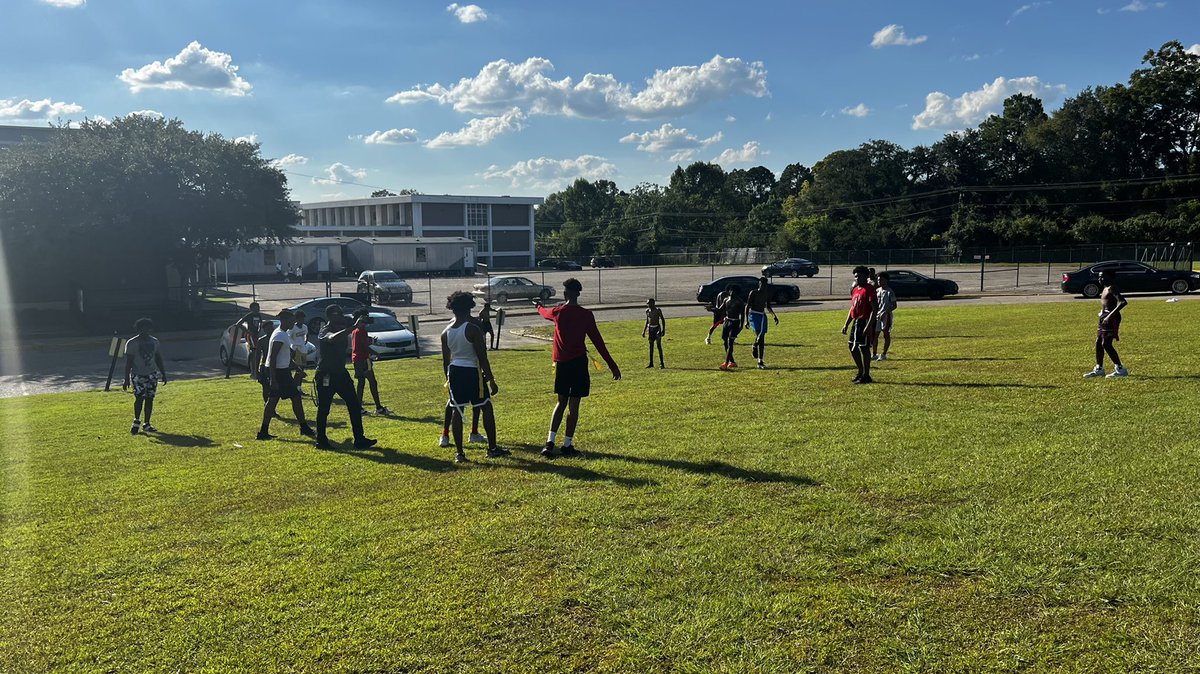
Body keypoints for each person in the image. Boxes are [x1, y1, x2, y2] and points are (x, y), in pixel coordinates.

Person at [536, 278, 621, 458]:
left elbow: (544, 313)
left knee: (561, 402)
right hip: (579, 364)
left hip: (563, 365)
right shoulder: (586, 315)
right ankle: (567, 445)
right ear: (578, 293)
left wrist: (537, 306)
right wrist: (612, 366)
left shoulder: (558, 312)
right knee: (574, 405)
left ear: (565, 293)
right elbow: (598, 342)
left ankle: (550, 443)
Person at [441, 291, 506, 462]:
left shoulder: (445, 332)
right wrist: (491, 379)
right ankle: (492, 448)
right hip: (472, 372)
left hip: (454, 371)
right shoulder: (473, 329)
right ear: (469, 307)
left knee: (457, 409)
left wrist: (448, 379)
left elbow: (445, 361)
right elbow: (482, 357)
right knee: (486, 407)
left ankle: (460, 453)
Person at [314, 305, 376, 449]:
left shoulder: (343, 325)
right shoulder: (325, 331)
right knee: (324, 408)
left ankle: (359, 439)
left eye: (342, 314)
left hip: (341, 373)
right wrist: (352, 327)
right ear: (329, 316)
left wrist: (360, 322)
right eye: (338, 314)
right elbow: (333, 339)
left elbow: (355, 324)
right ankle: (321, 441)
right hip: (326, 374)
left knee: (354, 405)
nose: (341, 316)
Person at [258, 310, 315, 441]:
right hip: (278, 372)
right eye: (291, 320)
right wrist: (273, 379)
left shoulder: (283, 334)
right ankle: (303, 427)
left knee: (278, 400)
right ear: (285, 320)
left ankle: (263, 432)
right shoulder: (279, 335)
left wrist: (297, 367)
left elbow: (286, 356)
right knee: (290, 398)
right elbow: (272, 358)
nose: (294, 322)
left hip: (282, 371)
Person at [122, 318, 167, 434]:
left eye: (147, 328)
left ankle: (147, 423)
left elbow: (158, 358)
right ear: (138, 329)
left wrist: (163, 373)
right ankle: (136, 421)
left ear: (150, 329)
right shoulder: (132, 343)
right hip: (138, 375)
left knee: (150, 398)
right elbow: (129, 362)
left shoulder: (154, 341)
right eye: (142, 329)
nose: (145, 331)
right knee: (139, 398)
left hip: (151, 374)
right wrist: (126, 378)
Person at [1084, 270, 1130, 378]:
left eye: (1102, 277)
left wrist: (1110, 315)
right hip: (1104, 317)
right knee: (1098, 342)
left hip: (1111, 318)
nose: (1100, 279)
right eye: (1099, 277)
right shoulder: (1104, 289)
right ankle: (1099, 368)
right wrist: (1102, 313)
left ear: (1110, 277)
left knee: (1106, 344)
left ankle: (1120, 369)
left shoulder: (1112, 288)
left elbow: (1123, 302)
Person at [350, 309, 392, 415]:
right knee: (372, 382)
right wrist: (376, 353)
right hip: (363, 359)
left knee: (361, 383)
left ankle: (358, 407)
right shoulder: (362, 330)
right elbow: (364, 346)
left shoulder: (355, 330)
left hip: (356, 359)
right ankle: (378, 408)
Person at [841, 266, 878, 384]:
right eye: (856, 276)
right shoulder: (856, 289)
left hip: (865, 321)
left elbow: (874, 308)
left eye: (859, 276)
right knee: (852, 346)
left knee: (864, 347)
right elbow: (853, 308)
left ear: (866, 276)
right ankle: (860, 371)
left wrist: (869, 326)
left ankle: (866, 375)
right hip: (856, 321)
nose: (857, 278)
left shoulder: (869, 289)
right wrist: (846, 324)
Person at [745, 277, 779, 369]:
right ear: (759, 284)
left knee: (762, 337)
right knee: (759, 335)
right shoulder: (753, 293)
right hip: (754, 315)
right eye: (761, 284)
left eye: (765, 284)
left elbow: (768, 306)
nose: (763, 286)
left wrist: (774, 315)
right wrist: (746, 320)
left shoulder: (767, 294)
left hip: (762, 315)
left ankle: (760, 360)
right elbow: (747, 306)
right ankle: (755, 345)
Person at [718, 285, 745, 370]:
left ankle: (726, 363)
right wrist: (711, 309)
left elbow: (743, 314)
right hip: (727, 321)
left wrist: (741, 326)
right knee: (724, 340)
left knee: (730, 342)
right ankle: (732, 361)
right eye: (730, 290)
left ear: (737, 292)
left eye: (734, 291)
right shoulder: (726, 300)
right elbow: (720, 309)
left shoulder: (740, 302)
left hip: (735, 322)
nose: (732, 292)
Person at [873, 272, 897, 361]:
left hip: (886, 316)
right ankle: (874, 354)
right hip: (877, 316)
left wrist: (885, 312)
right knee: (875, 335)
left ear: (886, 280)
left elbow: (894, 305)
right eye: (878, 280)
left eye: (881, 279)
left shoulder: (889, 291)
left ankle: (883, 354)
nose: (879, 281)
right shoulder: (877, 291)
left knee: (886, 334)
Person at [237, 302, 265, 379]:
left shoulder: (259, 315)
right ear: (252, 309)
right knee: (254, 352)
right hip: (250, 335)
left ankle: (256, 370)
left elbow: (260, 324)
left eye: (258, 307)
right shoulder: (249, 316)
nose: (257, 309)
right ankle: (253, 371)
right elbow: (239, 324)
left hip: (256, 335)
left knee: (258, 352)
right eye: (256, 308)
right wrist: (247, 331)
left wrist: (259, 330)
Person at [642, 298, 666, 368]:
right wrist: (644, 331)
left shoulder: (658, 310)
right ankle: (651, 363)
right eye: (647, 303)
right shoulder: (647, 311)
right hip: (650, 330)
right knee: (651, 347)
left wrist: (663, 330)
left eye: (649, 303)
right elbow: (647, 321)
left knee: (659, 346)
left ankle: (662, 363)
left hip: (656, 329)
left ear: (653, 304)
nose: (648, 305)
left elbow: (662, 319)